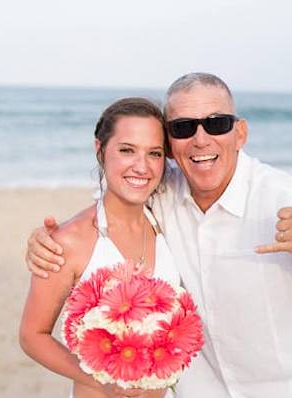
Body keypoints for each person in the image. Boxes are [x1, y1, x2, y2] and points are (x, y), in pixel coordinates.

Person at [26, 73, 292, 398]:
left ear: (241, 133)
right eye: (184, 127)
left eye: (216, 124)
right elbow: (121, 191)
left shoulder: (285, 199)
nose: (200, 139)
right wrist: (46, 242)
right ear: (172, 145)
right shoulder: (164, 195)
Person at [19, 97, 181, 398]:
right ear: (100, 150)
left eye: (154, 153)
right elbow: (32, 336)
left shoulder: (167, 223)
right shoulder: (69, 241)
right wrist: (101, 380)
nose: (141, 166)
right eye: (127, 150)